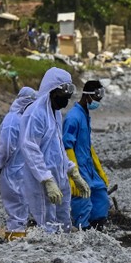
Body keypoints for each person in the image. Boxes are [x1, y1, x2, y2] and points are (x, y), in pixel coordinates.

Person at [19, 67, 86, 233]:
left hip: (60, 175)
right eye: (64, 95)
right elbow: (30, 148)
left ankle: (66, 252)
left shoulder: (55, 113)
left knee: (63, 219)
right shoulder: (36, 114)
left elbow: (57, 147)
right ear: (52, 91)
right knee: (47, 220)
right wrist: (46, 179)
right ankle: (49, 256)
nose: (66, 100)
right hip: (43, 178)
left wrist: (72, 171)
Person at [63, 80, 110, 230]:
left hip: (89, 166)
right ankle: (83, 229)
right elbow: (66, 145)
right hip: (78, 166)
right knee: (82, 198)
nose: (97, 103)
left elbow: (87, 145)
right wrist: (73, 174)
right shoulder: (73, 118)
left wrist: (99, 169)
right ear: (87, 96)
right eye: (96, 99)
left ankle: (98, 226)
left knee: (101, 194)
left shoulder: (85, 115)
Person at [0, 87, 38, 240]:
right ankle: (15, 240)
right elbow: (6, 147)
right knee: (16, 206)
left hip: (20, 169)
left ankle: (17, 238)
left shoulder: (23, 119)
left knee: (20, 206)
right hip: (13, 169)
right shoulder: (12, 121)